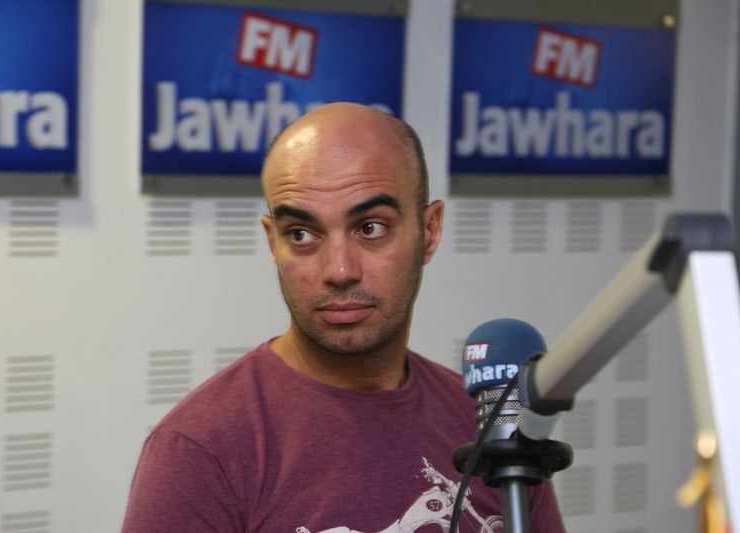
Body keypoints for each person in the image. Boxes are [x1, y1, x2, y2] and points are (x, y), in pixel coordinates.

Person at [121, 103, 565, 532]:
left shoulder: (490, 425)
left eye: (371, 228)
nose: (339, 270)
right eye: (301, 234)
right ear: (273, 242)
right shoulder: (201, 450)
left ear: (429, 232)